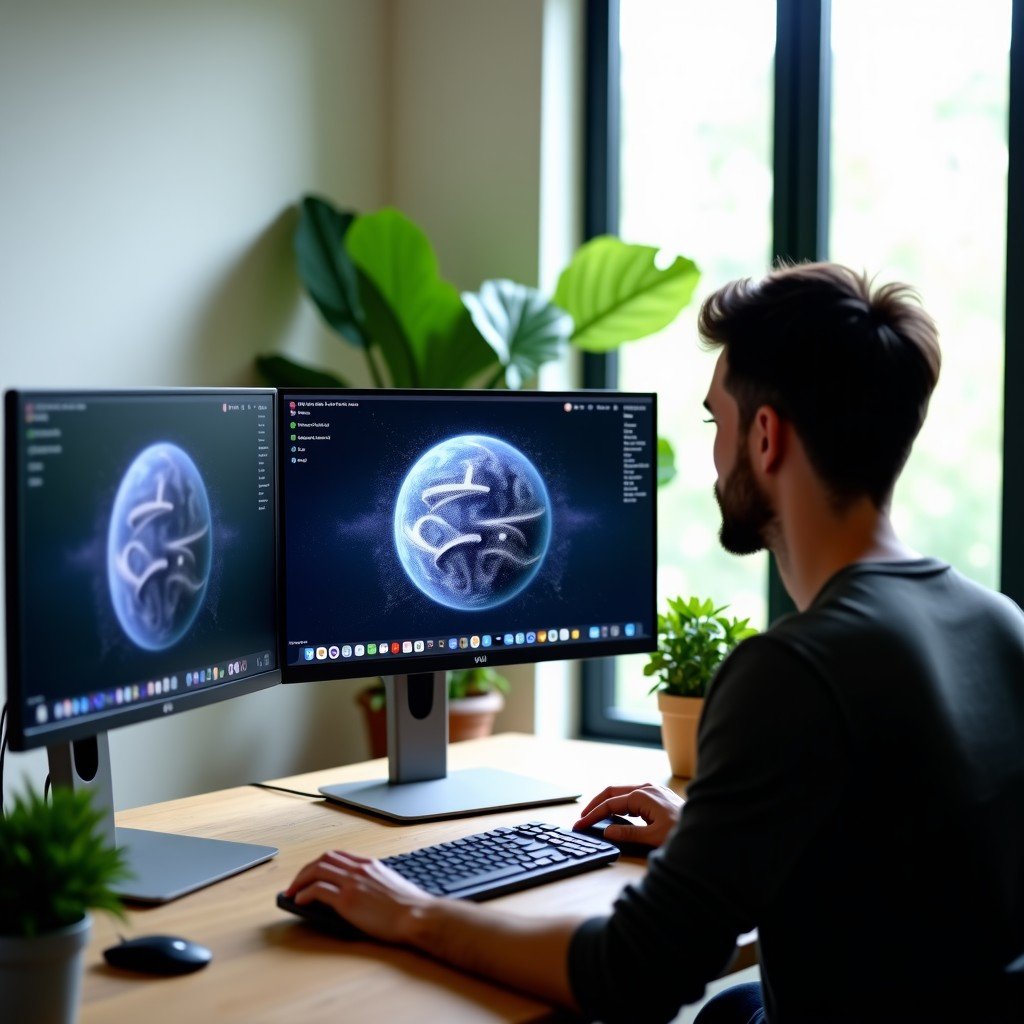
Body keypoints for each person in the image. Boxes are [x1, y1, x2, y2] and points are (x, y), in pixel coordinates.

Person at [285, 262, 1024, 1023]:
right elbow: (903, 875)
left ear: (765, 437)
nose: (713, 452)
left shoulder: (796, 671)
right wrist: (709, 842)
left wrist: (412, 912)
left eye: (716, 422)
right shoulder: (999, 624)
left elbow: (635, 973)